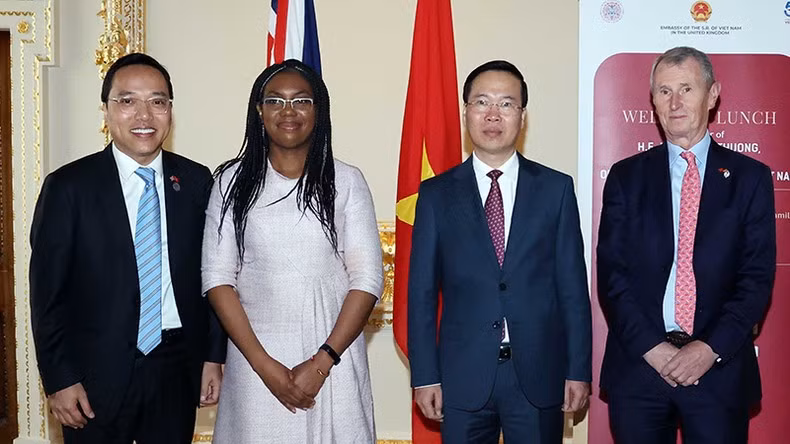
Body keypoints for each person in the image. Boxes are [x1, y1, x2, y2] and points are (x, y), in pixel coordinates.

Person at [30, 53, 227, 444]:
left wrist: (213, 356)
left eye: (157, 101)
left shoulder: (195, 181)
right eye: (127, 101)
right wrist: (60, 379)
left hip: (175, 367)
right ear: (105, 110)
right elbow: (47, 296)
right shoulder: (68, 187)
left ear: (170, 111)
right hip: (92, 376)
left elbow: (212, 276)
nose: (144, 115)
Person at [597, 46, 776, 444]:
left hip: (719, 371)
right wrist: (655, 350)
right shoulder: (626, 177)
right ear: (652, 101)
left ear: (712, 95)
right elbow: (612, 277)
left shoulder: (751, 179)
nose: (675, 103)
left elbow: (756, 278)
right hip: (640, 370)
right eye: (664, 91)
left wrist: (707, 350)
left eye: (686, 89)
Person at [407, 60, 592, 443]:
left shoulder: (555, 190)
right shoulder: (436, 195)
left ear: (522, 117)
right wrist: (425, 375)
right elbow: (421, 294)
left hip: (539, 375)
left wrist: (578, 369)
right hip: (461, 377)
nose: (493, 114)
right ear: (466, 113)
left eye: (506, 104)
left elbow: (572, 289)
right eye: (481, 102)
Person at [202, 59, 383, 443]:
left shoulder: (347, 181)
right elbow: (218, 279)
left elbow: (367, 279)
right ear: (259, 111)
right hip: (255, 363)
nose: (288, 111)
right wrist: (265, 367)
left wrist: (322, 362)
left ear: (319, 110)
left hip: (333, 361)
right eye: (275, 101)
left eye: (302, 100)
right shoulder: (229, 183)